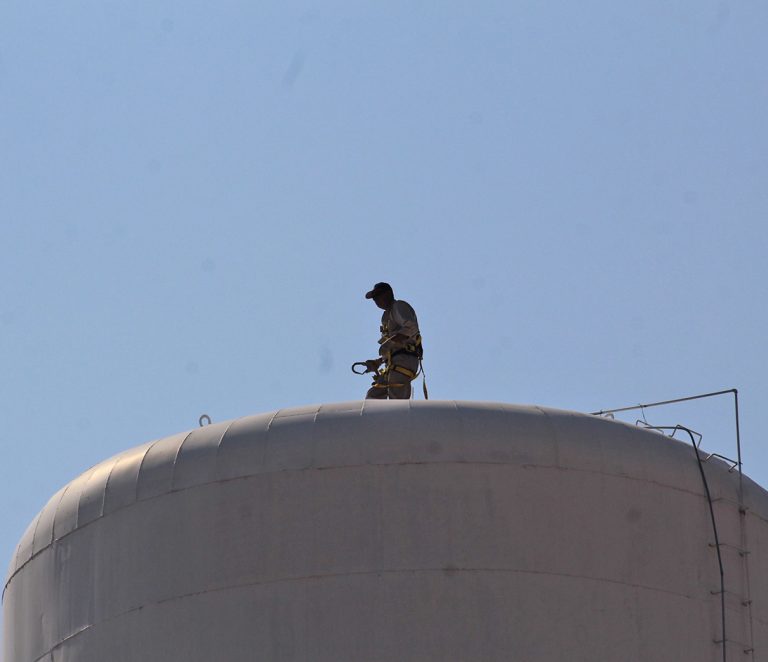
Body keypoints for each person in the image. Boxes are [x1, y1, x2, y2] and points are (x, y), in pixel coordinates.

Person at [363, 282, 423, 399]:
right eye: (374, 298)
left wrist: (390, 342)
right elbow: (394, 346)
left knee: (396, 398)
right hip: (394, 361)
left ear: (388, 294)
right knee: (373, 396)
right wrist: (379, 361)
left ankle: (400, 416)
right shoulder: (386, 316)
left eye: (378, 296)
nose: (376, 301)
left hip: (404, 359)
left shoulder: (398, 306)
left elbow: (411, 327)